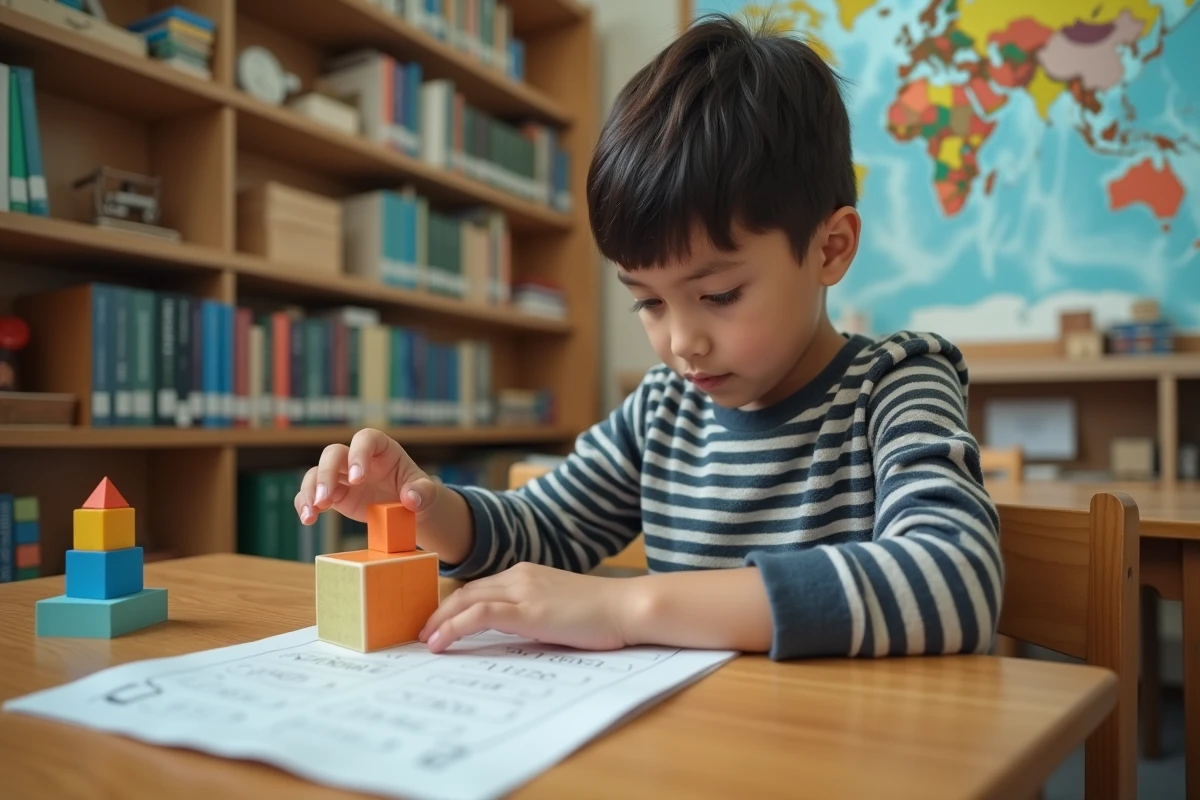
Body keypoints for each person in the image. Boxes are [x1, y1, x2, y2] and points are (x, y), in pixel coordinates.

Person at [295, 13, 1002, 661]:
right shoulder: (663, 410)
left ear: (830, 247)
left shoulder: (897, 383)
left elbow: (954, 578)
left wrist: (627, 605)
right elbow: (543, 530)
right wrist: (420, 505)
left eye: (719, 295)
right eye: (648, 302)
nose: (682, 342)